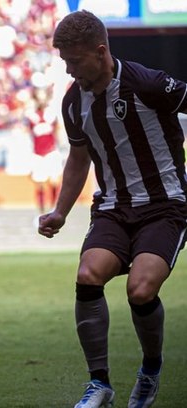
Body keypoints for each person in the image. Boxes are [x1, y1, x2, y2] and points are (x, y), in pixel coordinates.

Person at [39, 10, 187, 408]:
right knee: (88, 275)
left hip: (164, 206)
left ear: (100, 52)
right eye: (64, 62)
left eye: (74, 61)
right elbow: (78, 158)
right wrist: (60, 212)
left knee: (140, 289)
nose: (69, 71)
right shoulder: (74, 103)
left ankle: (151, 370)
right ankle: (99, 384)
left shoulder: (148, 83)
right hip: (113, 209)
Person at [25, 86, 63, 214]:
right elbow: (29, 133)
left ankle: (54, 208)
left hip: (51, 152)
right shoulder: (31, 116)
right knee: (39, 183)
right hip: (37, 153)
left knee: (54, 181)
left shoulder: (51, 114)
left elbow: (57, 130)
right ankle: (41, 212)